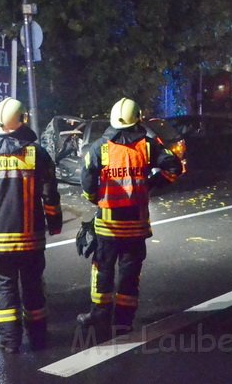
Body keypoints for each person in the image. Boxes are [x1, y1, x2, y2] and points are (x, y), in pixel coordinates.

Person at [76, 97, 183, 338]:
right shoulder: (147, 146)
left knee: (102, 272)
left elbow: (87, 182)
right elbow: (174, 167)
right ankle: (123, 323)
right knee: (129, 276)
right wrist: (150, 184)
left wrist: (97, 198)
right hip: (135, 226)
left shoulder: (100, 148)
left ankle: (99, 317)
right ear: (138, 120)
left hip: (108, 227)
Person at [0, 97, 62, 353]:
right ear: (22, 121)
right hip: (30, 239)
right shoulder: (37, 154)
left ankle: (10, 342)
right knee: (33, 287)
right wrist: (54, 222)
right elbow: (50, 195)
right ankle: (39, 338)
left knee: (4, 289)